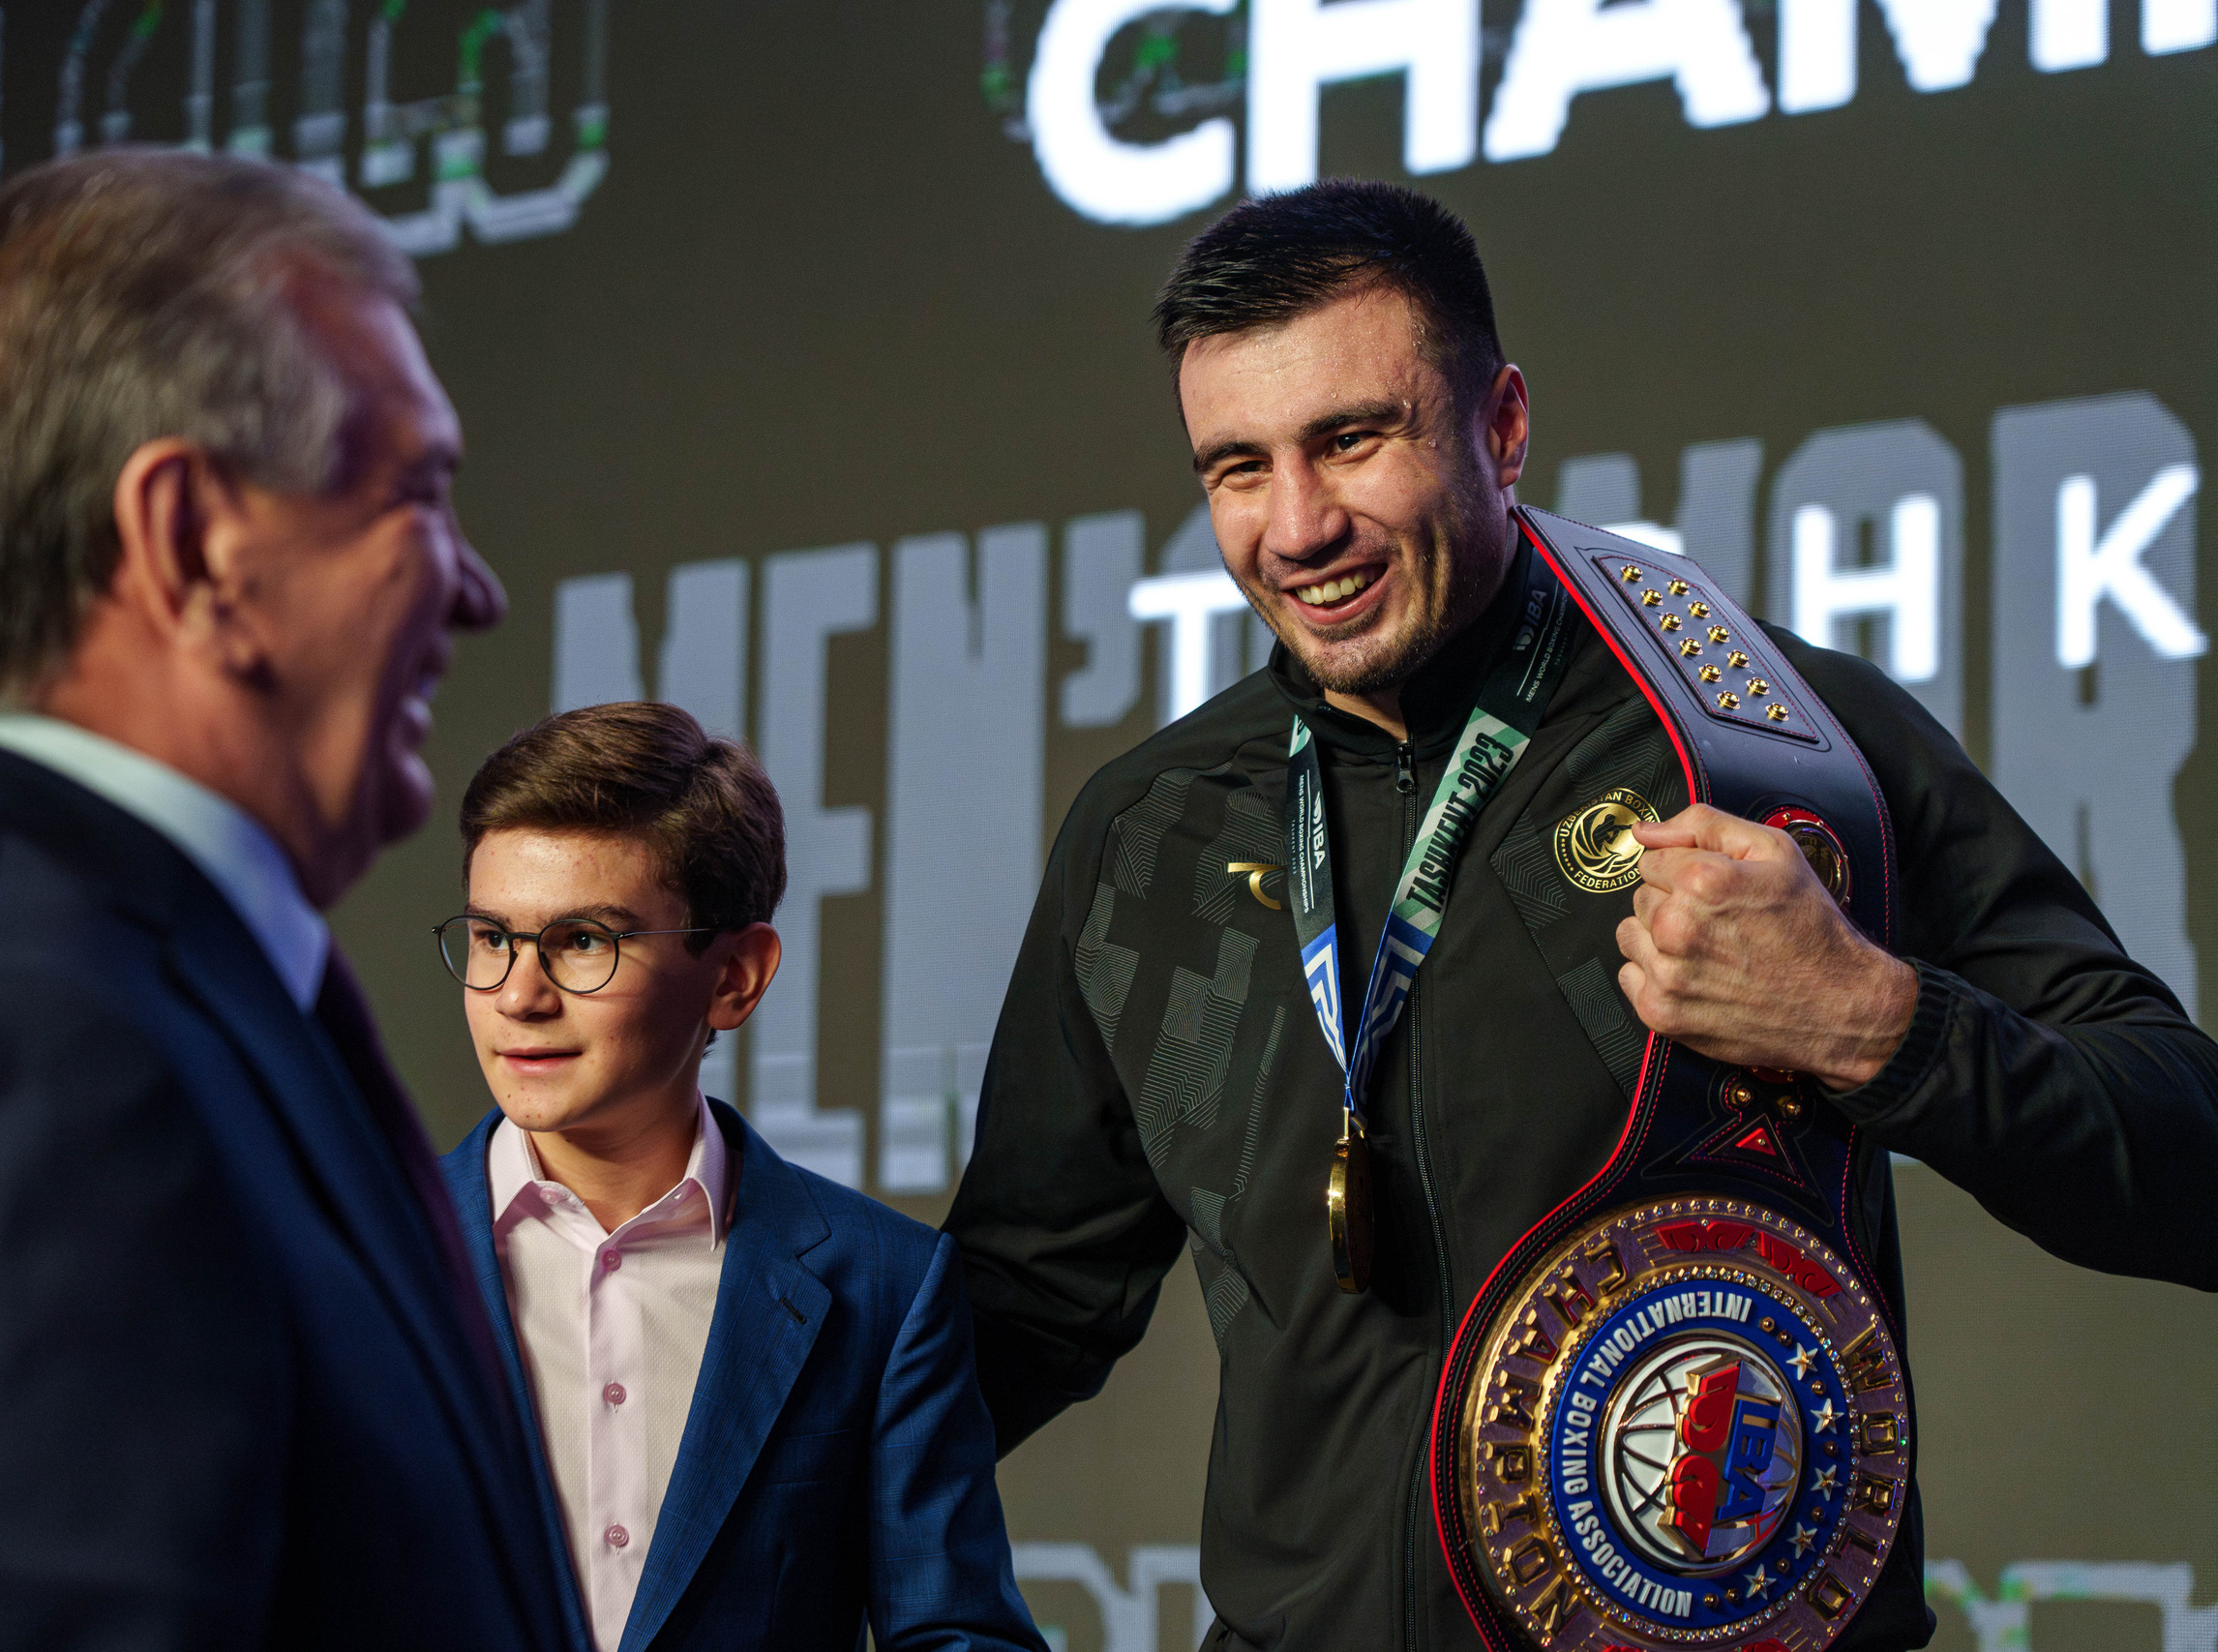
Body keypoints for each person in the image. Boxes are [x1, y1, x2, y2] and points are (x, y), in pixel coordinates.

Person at [942, 179, 2218, 1651]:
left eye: (1353, 438)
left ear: (1500, 426)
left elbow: (2189, 1151)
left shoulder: (1782, 745)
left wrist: (1883, 1027)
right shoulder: (1147, 831)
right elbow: (1024, 1304)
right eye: (1239, 465)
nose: (1296, 526)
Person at [0, 151, 568, 1649]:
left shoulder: (131, 978)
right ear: (195, 546)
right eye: (417, 492)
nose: (473, 588)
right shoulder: (13, 1041)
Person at [435, 703, 1047, 1652]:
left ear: (736, 977)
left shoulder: (881, 1286)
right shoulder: (358, 1252)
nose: (519, 994)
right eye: (490, 939)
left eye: (584, 941)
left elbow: (959, 1636)